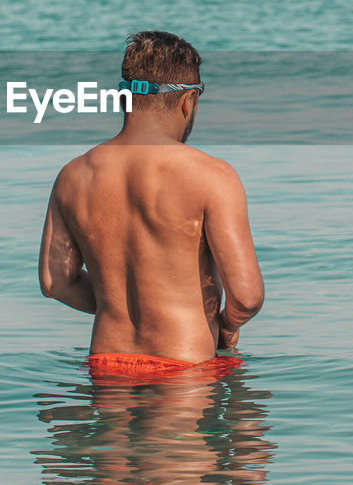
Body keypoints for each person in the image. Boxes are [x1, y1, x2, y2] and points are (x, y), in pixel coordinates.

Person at [38, 31, 264, 378]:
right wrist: (229, 328)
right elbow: (246, 296)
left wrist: (122, 304)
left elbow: (56, 282)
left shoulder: (73, 175)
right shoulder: (212, 175)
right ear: (189, 101)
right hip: (183, 364)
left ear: (123, 99)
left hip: (107, 362)